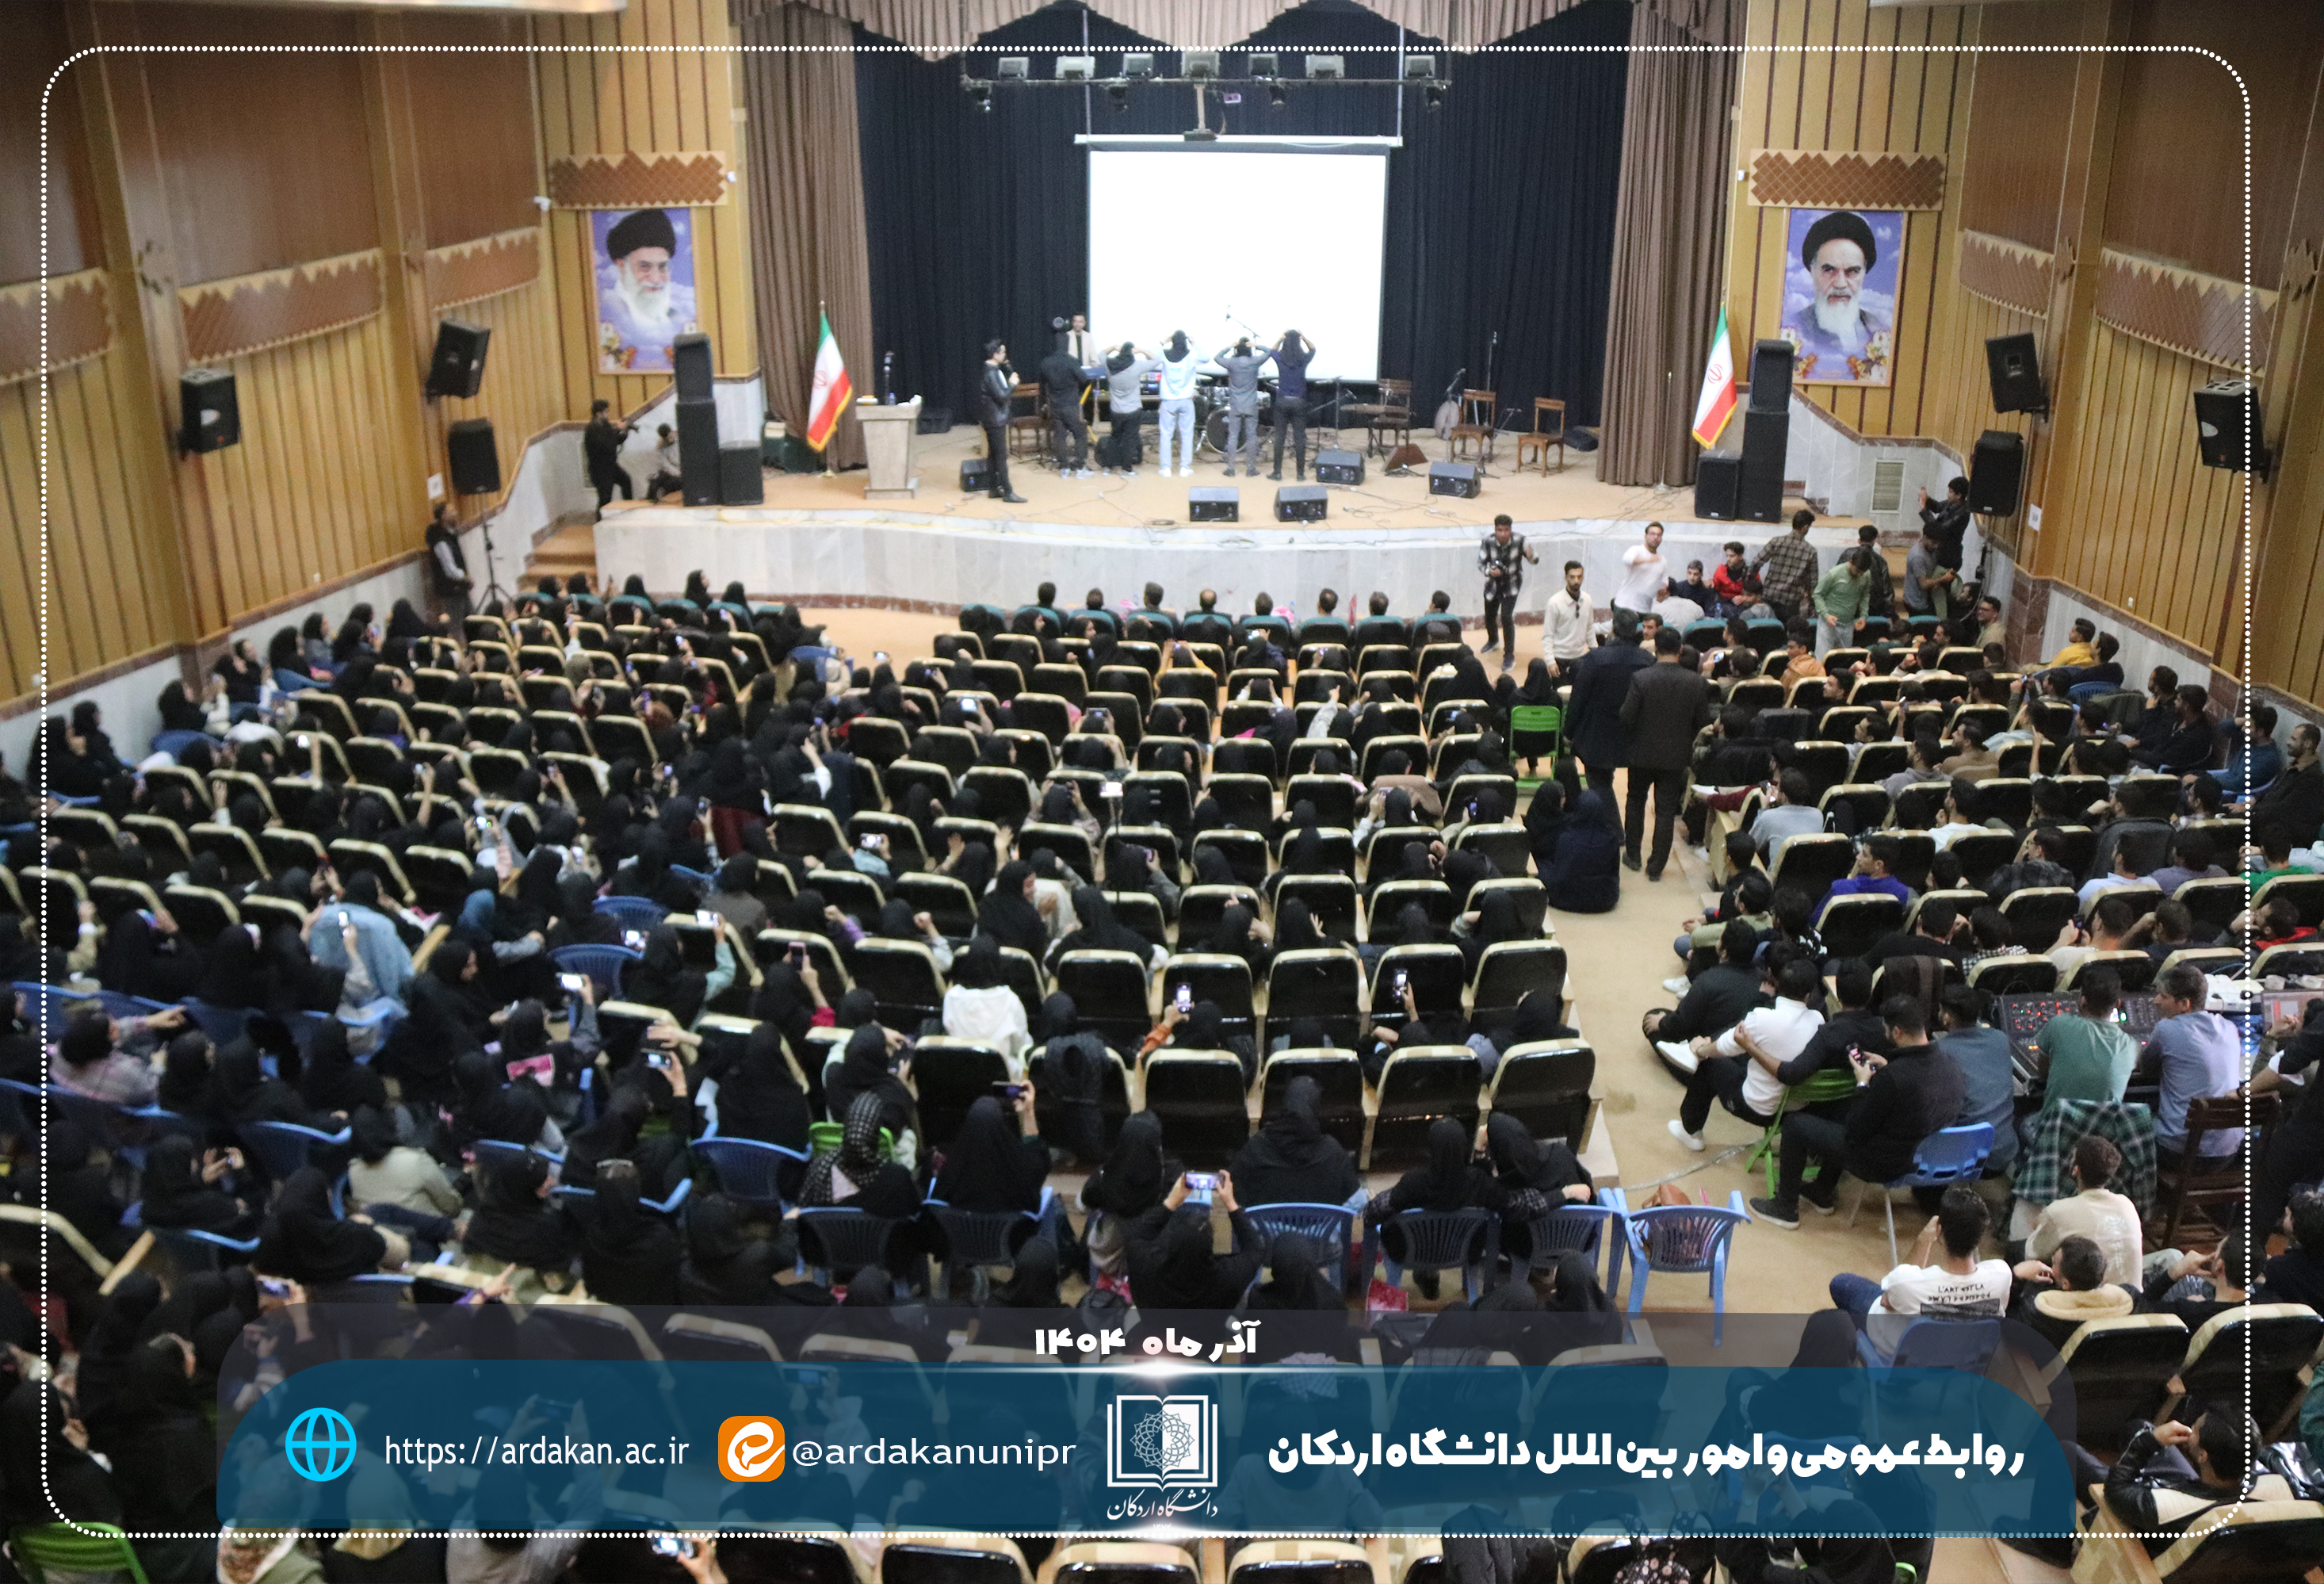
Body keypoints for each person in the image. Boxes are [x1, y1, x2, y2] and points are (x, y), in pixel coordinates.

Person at [1750, 996, 1963, 1228]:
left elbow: (1855, 1131)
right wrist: (1887, 1068)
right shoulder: (1950, 1063)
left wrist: (1862, 1083)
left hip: (1884, 1164)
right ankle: (1821, 1191)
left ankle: (1785, 1207)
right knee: (1843, 1111)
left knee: (1796, 1125)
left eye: (1886, 1030)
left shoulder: (1893, 1079)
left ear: (1897, 1032)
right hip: (1925, 1158)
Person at [1831, 1184, 2010, 1359]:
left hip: (1899, 1353)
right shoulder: (2002, 1274)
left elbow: (1889, 1299)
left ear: (1939, 1230)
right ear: (1980, 1235)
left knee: (1842, 1283)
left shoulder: (1907, 1283)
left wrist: (1924, 1240)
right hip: (1960, 1359)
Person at [2072, 1410, 2286, 1555]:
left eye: (2195, 1430)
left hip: (2152, 1527)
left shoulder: (2165, 1508)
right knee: (2140, 1426)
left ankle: (2057, 1553)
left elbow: (2115, 1491)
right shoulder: (2278, 1487)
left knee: (2066, 1453)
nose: (2190, 1430)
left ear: (2202, 1455)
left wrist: (2149, 1442)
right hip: (2198, 1494)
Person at [1666, 955, 1824, 1150]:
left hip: (1758, 1108)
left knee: (1710, 1063)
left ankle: (1690, 1130)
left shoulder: (1762, 1018)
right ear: (1809, 994)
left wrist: (1700, 1050)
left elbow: (1723, 1047)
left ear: (1778, 984)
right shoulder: (1818, 1020)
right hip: (1795, 1111)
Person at [1617, 626, 1714, 879]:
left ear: (1656, 649)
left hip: (1641, 753)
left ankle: (1633, 856)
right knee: (1665, 810)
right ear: (1680, 650)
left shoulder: (1641, 678)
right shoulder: (1696, 682)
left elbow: (1626, 717)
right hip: (1675, 756)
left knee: (1635, 802)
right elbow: (1703, 721)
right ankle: (1656, 867)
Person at [2142, 962, 2245, 1169]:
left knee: (2126, 1120)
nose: (2156, 1000)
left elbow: (2146, 1069)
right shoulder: (2230, 1027)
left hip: (2179, 1154)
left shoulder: (2166, 1029)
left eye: (2163, 996)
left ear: (2184, 1004)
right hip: (2227, 1154)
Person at [2025, 1134, 2142, 1287]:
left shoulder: (2059, 1210)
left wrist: (2039, 1225)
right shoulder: (2127, 1204)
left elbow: (2033, 1253)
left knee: (2019, 1252)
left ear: (2076, 1169)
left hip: (2091, 1298)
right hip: (2131, 1296)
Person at [1564, 607, 1655, 797]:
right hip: (1635, 735)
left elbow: (1579, 697)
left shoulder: (1596, 658)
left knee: (1600, 788)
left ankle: (1607, 816)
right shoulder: (1648, 661)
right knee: (1637, 795)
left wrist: (1569, 730)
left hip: (1598, 734)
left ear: (1613, 629)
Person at [1932, 982, 2016, 1173]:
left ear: (1947, 1017)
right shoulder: (2000, 1039)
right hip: (2003, 1153)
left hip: (1964, 1158)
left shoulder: (1938, 1052)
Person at [2031, 966, 2137, 1105]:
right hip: (2103, 1119)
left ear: (2082, 1000)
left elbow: (2043, 1073)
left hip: (2059, 1118)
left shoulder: (2058, 1025)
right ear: (2118, 1004)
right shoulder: (2130, 1045)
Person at [1477, 515, 1539, 667]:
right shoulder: (1488, 542)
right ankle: (1493, 640)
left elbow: (1535, 560)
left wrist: (1530, 554)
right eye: (1500, 530)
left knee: (1506, 618)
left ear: (1511, 530)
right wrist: (1489, 571)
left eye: (1506, 530)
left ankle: (1509, 655)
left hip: (1512, 584)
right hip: (1493, 584)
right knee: (1490, 616)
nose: (1503, 534)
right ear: (1495, 530)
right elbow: (1481, 563)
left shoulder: (1521, 540)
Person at [1038, 322, 1095, 479]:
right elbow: (1083, 379)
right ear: (1067, 344)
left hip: (1055, 406)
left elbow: (1042, 385)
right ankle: (1080, 467)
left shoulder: (1046, 363)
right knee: (1080, 434)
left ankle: (1064, 467)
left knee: (1060, 436)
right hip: (1071, 406)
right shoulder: (1072, 361)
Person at [1214, 335, 1275, 477]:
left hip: (1235, 405)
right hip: (1250, 405)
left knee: (1233, 436)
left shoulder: (1232, 363)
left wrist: (1229, 346)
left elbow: (1217, 358)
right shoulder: (1254, 361)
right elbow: (1269, 352)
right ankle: (1251, 469)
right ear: (1249, 350)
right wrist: (1256, 345)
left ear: (1236, 350)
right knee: (1251, 437)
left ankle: (1230, 469)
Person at [978, 339, 1026, 503]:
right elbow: (1002, 396)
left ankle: (993, 488)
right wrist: (1012, 384)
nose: (1005, 355)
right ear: (995, 354)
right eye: (1003, 352)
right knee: (1001, 456)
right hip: (995, 420)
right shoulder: (991, 373)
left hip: (993, 418)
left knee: (993, 455)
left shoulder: (993, 370)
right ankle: (1008, 492)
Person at [1101, 342, 1159, 476]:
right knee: (1129, 440)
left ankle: (1108, 467)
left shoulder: (1109, 365)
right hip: (1133, 410)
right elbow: (1157, 360)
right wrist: (1142, 350)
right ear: (1132, 353)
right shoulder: (1136, 366)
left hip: (1116, 410)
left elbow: (1101, 354)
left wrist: (1113, 347)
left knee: (1114, 437)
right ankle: (1126, 469)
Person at [1750, 510, 1821, 620]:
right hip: (1791, 601)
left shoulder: (1776, 541)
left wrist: (1752, 583)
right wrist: (1811, 601)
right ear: (1805, 527)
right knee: (1787, 629)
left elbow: (1756, 562)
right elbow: (1813, 581)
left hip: (1770, 595)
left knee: (1766, 627)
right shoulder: (1810, 551)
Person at [1267, 330, 1314, 480]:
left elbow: (1272, 351)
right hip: (1299, 402)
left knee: (1280, 438)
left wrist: (1280, 339)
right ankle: (1300, 474)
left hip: (1282, 401)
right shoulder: (1303, 359)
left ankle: (1277, 473)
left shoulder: (1280, 358)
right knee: (1300, 438)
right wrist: (1304, 338)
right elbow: (1313, 349)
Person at [1748, 768, 1823, 860]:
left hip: (1777, 870)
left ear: (1784, 796)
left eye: (1778, 789)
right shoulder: (1818, 815)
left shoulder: (1768, 817)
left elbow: (1751, 846)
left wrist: (1764, 807)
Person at [1811, 547, 1875, 657]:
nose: (1859, 575)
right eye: (1857, 571)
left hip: (1848, 624)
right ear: (1851, 563)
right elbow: (1817, 594)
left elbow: (1865, 595)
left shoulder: (1866, 575)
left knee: (1844, 659)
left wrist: (1863, 615)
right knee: (1823, 658)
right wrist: (1826, 615)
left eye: (1862, 572)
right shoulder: (1834, 574)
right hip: (1828, 624)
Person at [1155, 331, 1202, 478]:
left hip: (1168, 400)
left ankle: (1166, 468)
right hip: (1186, 400)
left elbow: (1150, 355)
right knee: (1187, 435)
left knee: (1166, 435)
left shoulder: (1164, 354)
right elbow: (1206, 357)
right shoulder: (1192, 355)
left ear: (1173, 341)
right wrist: (1194, 343)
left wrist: (1163, 342)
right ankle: (1184, 468)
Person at [1540, 560, 1592, 679]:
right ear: (1566, 577)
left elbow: (1589, 629)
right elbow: (1548, 635)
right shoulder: (1554, 603)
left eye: (1579, 577)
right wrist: (1551, 661)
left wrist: (1595, 652)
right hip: (1560, 659)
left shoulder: (1587, 600)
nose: (1576, 581)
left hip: (1580, 657)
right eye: (1572, 577)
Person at [424, 502, 472, 625]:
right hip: (452, 590)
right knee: (457, 625)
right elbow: (449, 569)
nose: (456, 514)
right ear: (444, 516)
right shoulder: (440, 541)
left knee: (471, 622)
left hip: (459, 588)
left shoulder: (450, 535)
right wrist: (464, 578)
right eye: (452, 512)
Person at [1917, 475, 1973, 572]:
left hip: (1948, 556)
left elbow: (1940, 530)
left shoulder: (1963, 514)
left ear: (1958, 495)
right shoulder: (1951, 503)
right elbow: (1937, 507)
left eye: (1950, 492)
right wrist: (1926, 499)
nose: (1948, 495)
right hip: (1938, 552)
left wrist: (1924, 511)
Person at [583, 398, 633, 509]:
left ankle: (628, 509)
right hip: (600, 469)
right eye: (606, 412)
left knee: (626, 481)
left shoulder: (605, 426)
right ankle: (601, 518)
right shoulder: (593, 428)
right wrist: (617, 429)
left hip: (611, 466)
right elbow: (606, 444)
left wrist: (624, 432)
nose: (608, 415)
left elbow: (617, 440)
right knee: (605, 498)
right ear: (599, 414)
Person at [1900, 525, 1957, 622]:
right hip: (1917, 602)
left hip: (1926, 597)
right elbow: (1923, 584)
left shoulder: (1931, 549)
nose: (1936, 546)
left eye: (1938, 543)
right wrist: (1943, 578)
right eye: (1934, 542)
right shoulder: (1918, 557)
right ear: (1925, 537)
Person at [1611, 522, 1668, 616]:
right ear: (1646, 536)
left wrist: (1663, 590)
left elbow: (1664, 579)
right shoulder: (1636, 550)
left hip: (1645, 609)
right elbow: (1627, 559)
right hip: (1626, 605)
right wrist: (1648, 560)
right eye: (1652, 534)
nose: (1655, 537)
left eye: (1659, 535)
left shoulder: (1662, 560)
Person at [644, 421, 682, 501]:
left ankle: (657, 496)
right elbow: (665, 464)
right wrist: (676, 472)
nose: (669, 438)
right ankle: (650, 498)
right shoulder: (661, 447)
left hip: (682, 470)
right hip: (673, 471)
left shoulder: (680, 440)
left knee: (669, 482)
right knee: (658, 478)